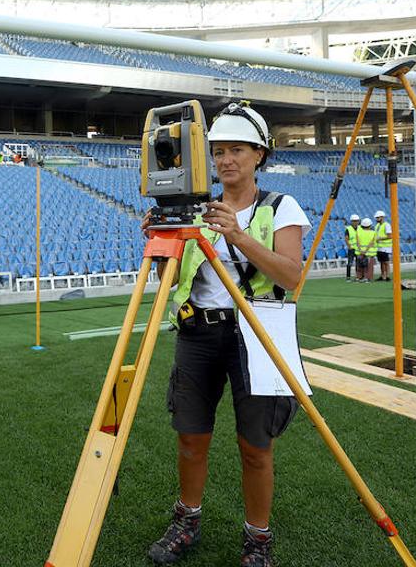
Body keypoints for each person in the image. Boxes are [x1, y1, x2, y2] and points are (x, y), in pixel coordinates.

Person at [144, 101, 311, 567]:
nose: (225, 160)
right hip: (198, 332)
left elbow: (292, 275)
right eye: (217, 151)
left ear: (259, 154)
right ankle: (187, 520)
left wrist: (238, 235)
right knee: (190, 436)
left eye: (237, 149)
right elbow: (169, 285)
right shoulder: (193, 211)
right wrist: (160, 250)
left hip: (256, 335)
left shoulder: (281, 207)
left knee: (255, 447)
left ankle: (258, 540)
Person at [355, 217, 377, 283]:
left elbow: (358, 242)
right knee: (369, 267)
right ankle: (367, 278)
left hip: (359, 253)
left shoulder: (358, 232)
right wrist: (365, 251)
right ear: (370, 225)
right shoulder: (373, 233)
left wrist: (361, 250)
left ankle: (359, 278)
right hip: (369, 253)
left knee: (359, 266)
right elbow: (371, 243)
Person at [373, 210, 393, 281]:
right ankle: (382, 276)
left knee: (386, 262)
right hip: (379, 247)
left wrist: (380, 238)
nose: (377, 219)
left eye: (378, 217)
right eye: (376, 218)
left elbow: (390, 236)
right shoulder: (377, 226)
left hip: (385, 247)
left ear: (382, 217)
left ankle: (387, 276)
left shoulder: (386, 225)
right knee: (381, 262)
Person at [344, 214, 360, 282]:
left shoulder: (360, 228)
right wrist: (349, 246)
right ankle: (348, 277)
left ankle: (357, 276)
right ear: (351, 221)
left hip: (358, 248)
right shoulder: (348, 229)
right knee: (350, 263)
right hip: (352, 249)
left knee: (358, 263)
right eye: (354, 221)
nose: (355, 222)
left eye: (356, 221)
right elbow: (346, 239)